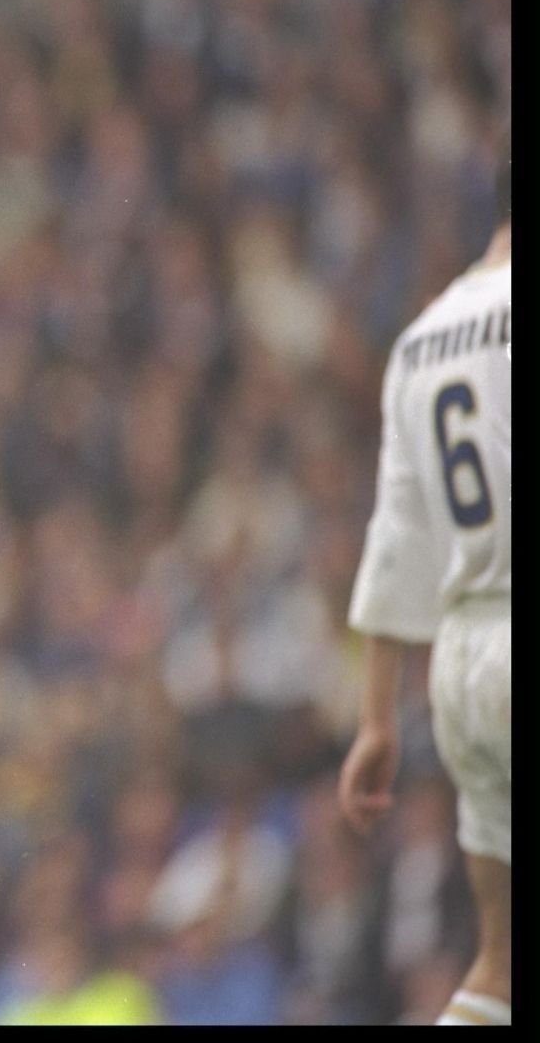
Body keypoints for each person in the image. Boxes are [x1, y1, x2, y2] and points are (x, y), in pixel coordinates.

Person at [338, 176, 511, 1027]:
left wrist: (377, 720)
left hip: (465, 664)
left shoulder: (420, 342)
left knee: (502, 963)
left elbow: (396, 536)